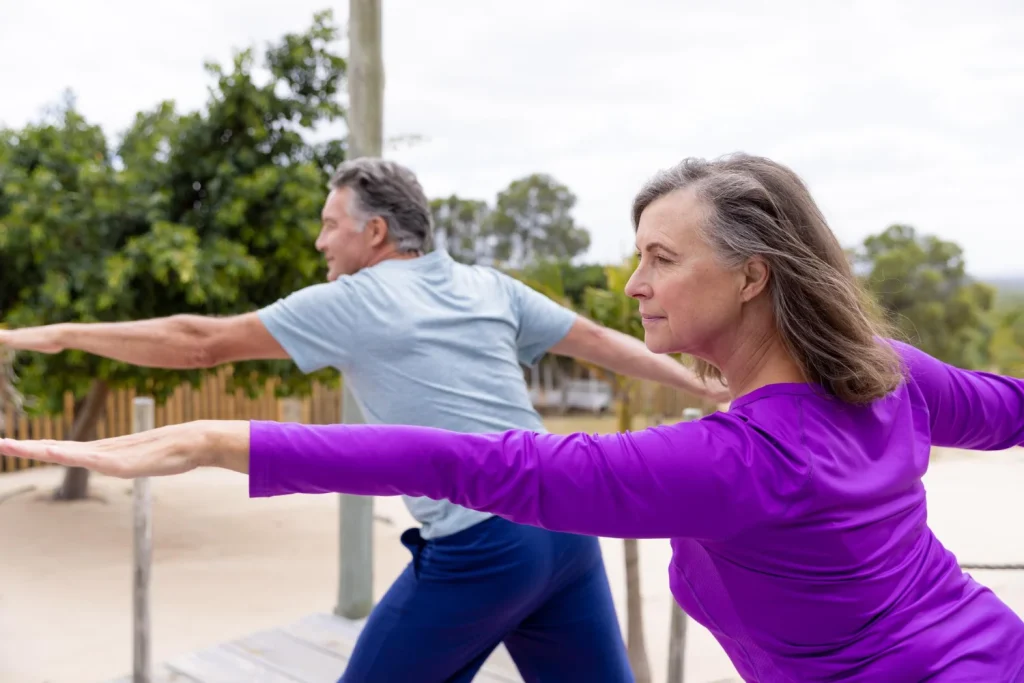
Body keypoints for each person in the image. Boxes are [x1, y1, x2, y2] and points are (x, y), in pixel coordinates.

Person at [6, 152, 1023, 682]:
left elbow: (474, 463)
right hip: (989, 647)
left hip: (485, 546)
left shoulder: (735, 460)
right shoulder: (882, 371)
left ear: (752, 276)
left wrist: (209, 436)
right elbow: (1011, 409)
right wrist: (704, 383)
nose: (634, 282)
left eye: (661, 258)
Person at [0, 157, 728, 683]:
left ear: (375, 232)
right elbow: (600, 342)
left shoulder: (358, 299)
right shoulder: (487, 285)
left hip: (483, 545)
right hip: (565, 530)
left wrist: (57, 335)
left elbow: (199, 342)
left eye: (330, 225)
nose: (321, 242)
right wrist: (715, 387)